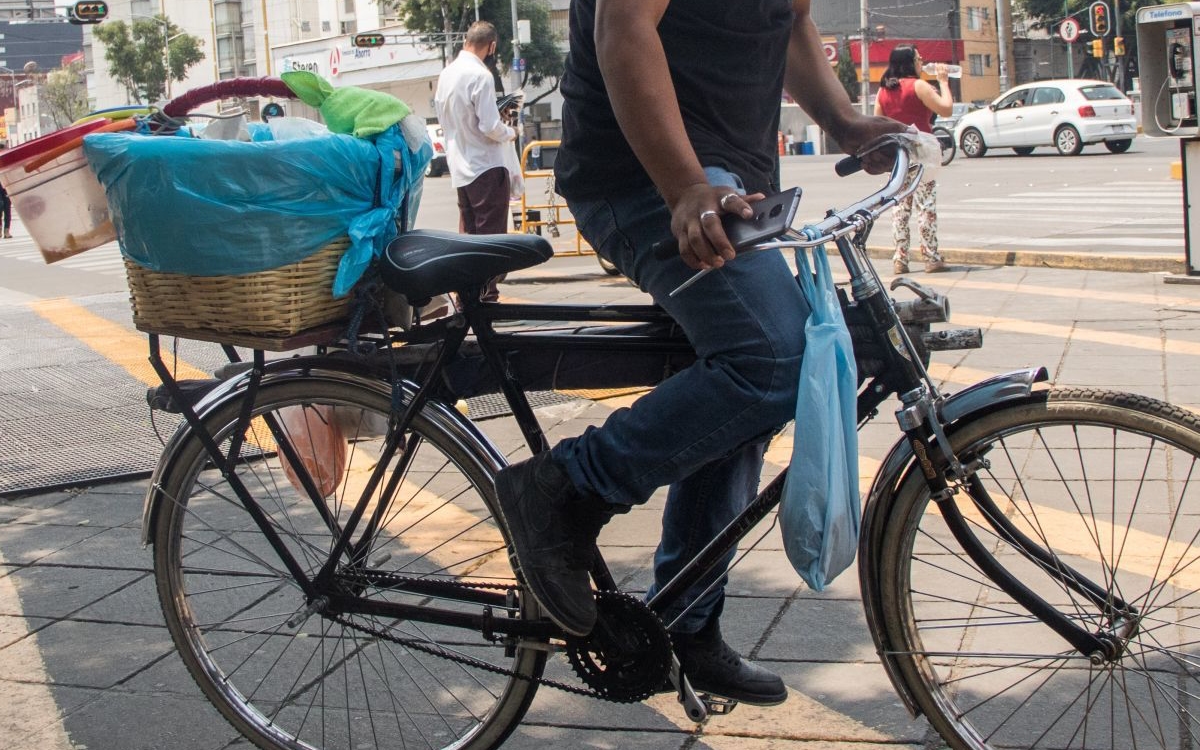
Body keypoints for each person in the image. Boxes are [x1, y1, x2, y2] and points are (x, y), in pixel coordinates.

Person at [494, 0, 904, 707]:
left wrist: (843, 121)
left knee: (744, 382)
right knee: (772, 356)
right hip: (642, 171)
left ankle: (685, 620)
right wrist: (684, 186)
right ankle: (561, 490)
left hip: (733, 177)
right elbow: (623, 27)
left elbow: (790, 19)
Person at [434, 20, 518, 302]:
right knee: (490, 238)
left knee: (468, 236)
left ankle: (466, 299)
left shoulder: (447, 74)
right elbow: (490, 126)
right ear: (491, 45)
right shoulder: (480, 75)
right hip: (486, 164)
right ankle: (486, 299)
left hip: (460, 164)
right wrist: (511, 131)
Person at [874, 45, 953, 274]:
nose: (922, 63)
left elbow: (878, 123)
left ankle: (900, 259)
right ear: (909, 62)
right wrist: (944, 82)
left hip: (898, 153)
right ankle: (931, 257)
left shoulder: (883, 91)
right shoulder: (919, 86)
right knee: (925, 205)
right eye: (919, 59)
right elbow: (946, 109)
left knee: (899, 207)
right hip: (921, 152)